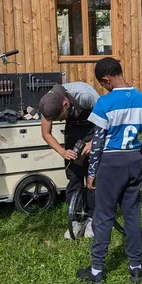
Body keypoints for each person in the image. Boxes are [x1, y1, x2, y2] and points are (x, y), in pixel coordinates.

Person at [76, 57, 142, 284]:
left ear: (106, 80)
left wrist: (91, 172)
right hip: (133, 160)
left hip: (110, 164)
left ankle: (97, 270)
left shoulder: (104, 103)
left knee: (103, 216)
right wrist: (140, 158)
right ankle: (136, 267)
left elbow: (98, 142)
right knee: (132, 215)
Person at [39, 82, 100, 238]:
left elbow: (106, 120)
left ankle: (93, 219)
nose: (59, 121)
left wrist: (93, 143)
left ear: (65, 104)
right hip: (74, 132)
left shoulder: (86, 95)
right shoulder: (47, 103)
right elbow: (46, 133)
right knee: (74, 176)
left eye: (61, 117)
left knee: (94, 178)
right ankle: (77, 218)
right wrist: (62, 151)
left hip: (94, 129)